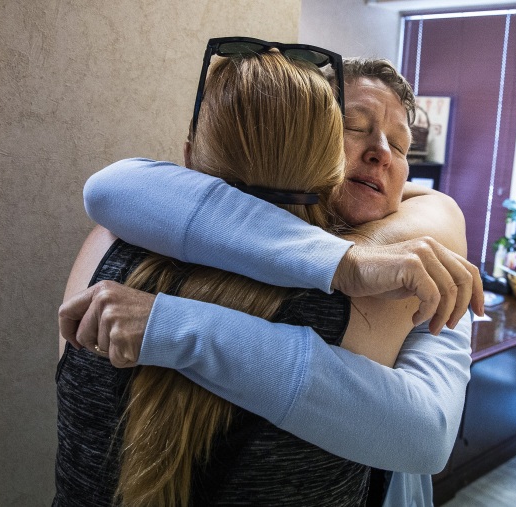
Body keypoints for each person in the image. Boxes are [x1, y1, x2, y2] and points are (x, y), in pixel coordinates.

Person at [60, 56, 482, 505]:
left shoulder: (109, 245)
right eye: (354, 126)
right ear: (310, 143)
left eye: (401, 147)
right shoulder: (370, 300)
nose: (382, 151)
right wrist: (348, 261)